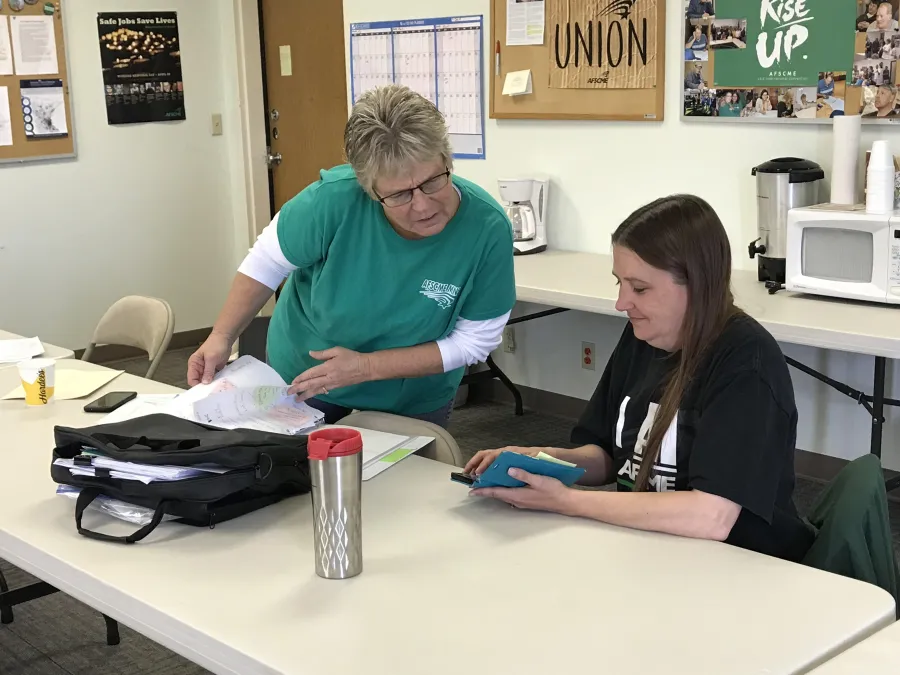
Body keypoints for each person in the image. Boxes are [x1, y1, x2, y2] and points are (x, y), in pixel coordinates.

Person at [464, 195, 816, 563]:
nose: (621, 303)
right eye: (620, 283)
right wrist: (538, 461)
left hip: (738, 564)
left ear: (695, 284)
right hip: (653, 546)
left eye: (640, 288)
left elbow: (712, 516)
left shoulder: (746, 365)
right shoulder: (642, 338)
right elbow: (606, 456)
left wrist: (567, 501)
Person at [187, 84, 516, 427]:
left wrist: (366, 367)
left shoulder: (486, 228)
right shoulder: (331, 202)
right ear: (368, 189)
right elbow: (267, 263)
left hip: (411, 393)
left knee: (409, 478)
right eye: (399, 195)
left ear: (447, 160)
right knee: (301, 475)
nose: (422, 205)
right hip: (308, 378)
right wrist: (221, 337)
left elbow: (474, 341)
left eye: (433, 182)